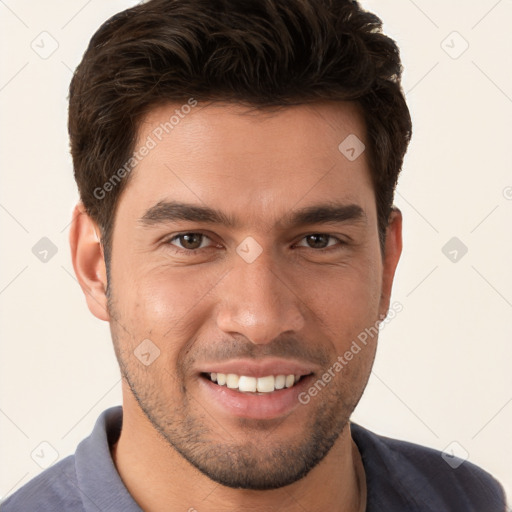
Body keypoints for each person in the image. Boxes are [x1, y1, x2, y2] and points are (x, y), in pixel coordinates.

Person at [3, 0, 507, 510]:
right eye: (191, 240)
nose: (260, 318)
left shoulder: (469, 500)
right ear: (95, 267)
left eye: (317, 240)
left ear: (387, 263)